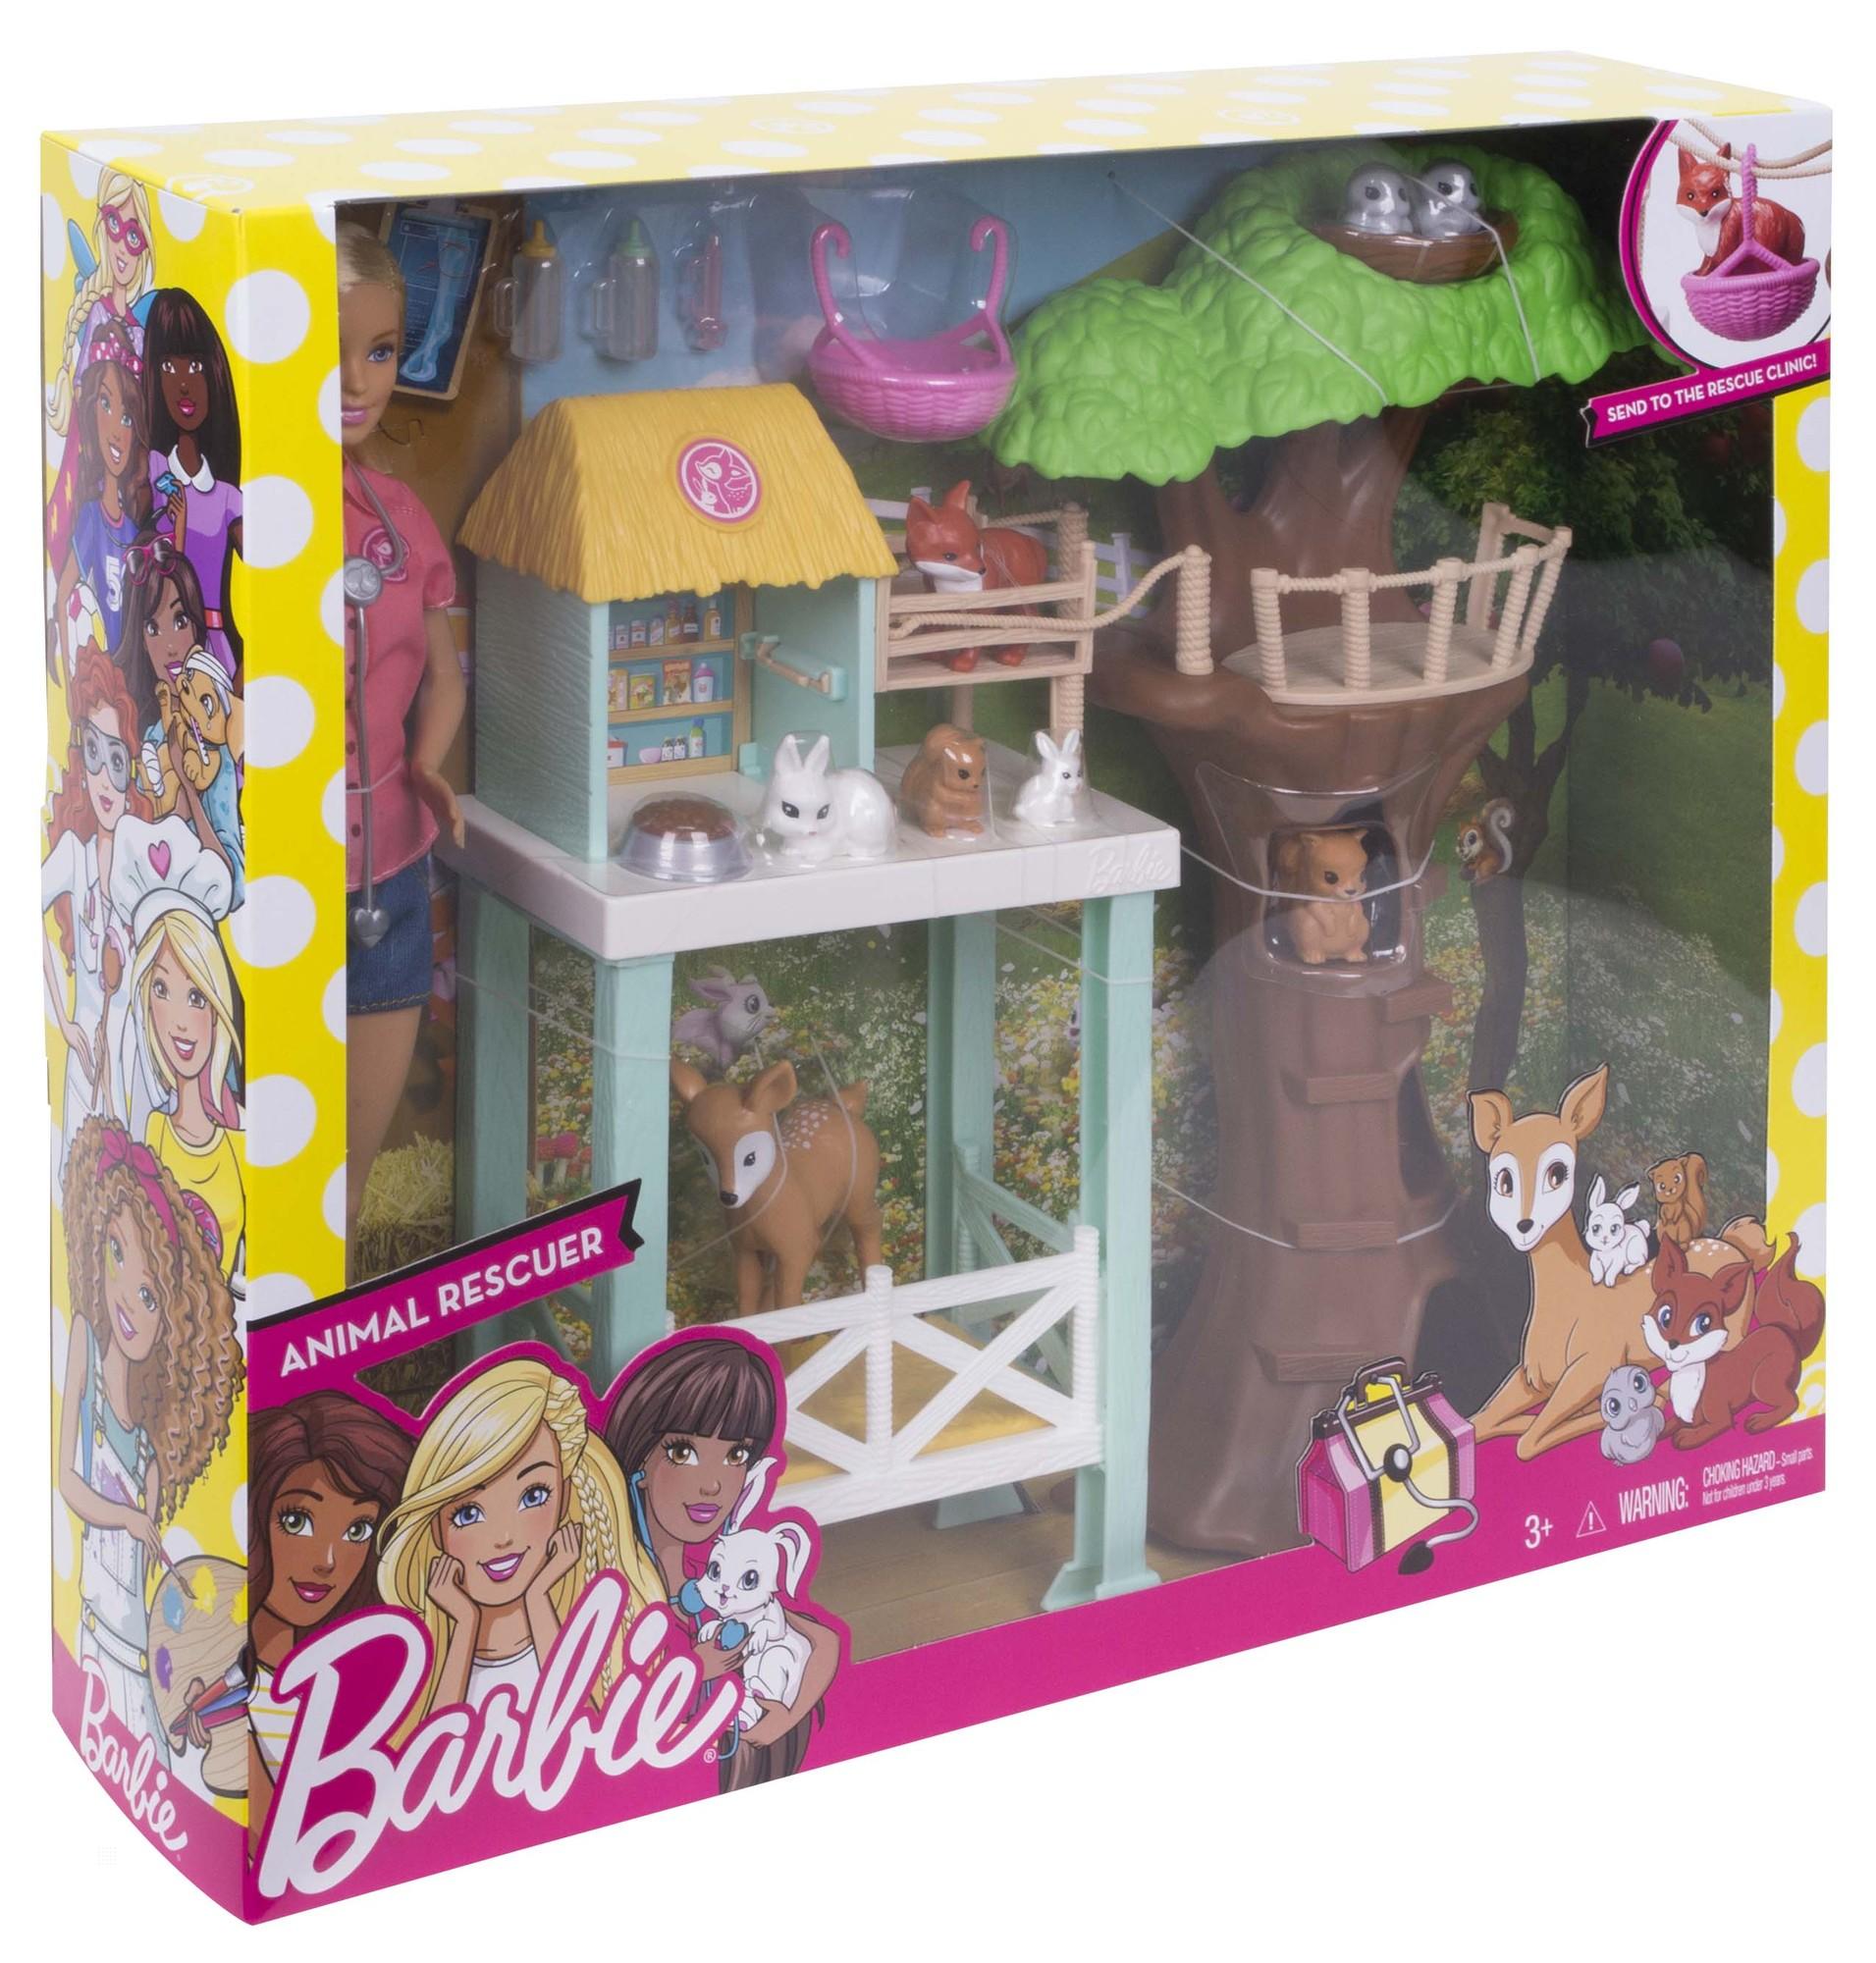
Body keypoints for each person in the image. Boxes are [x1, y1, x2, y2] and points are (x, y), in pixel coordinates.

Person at [334, 223, 466, 1267]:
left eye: (379, 351)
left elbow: (444, 675)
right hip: (271, 880)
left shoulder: (402, 516)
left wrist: (426, 763)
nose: (357, 380)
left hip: (386, 869)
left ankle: (319, 1342)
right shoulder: (230, 519)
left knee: (349, 1169)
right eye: (331, 351)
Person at [603, 1333, 840, 1788]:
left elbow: (823, 1641)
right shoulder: (615, 1582)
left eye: (736, 1454)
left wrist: (781, 1721)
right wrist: (695, 1669)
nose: (713, 1484)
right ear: (639, 1462)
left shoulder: (719, 1563)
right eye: (683, 1452)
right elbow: (602, 1703)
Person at [376, 1358, 659, 1724]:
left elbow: (584, 1732)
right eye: (468, 1513)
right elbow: (434, 1743)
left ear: (564, 1499)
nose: (504, 1538)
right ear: (437, 1529)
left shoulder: (597, 1638)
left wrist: (539, 1597)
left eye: (533, 1496)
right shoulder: (419, 1656)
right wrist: (465, 1623)